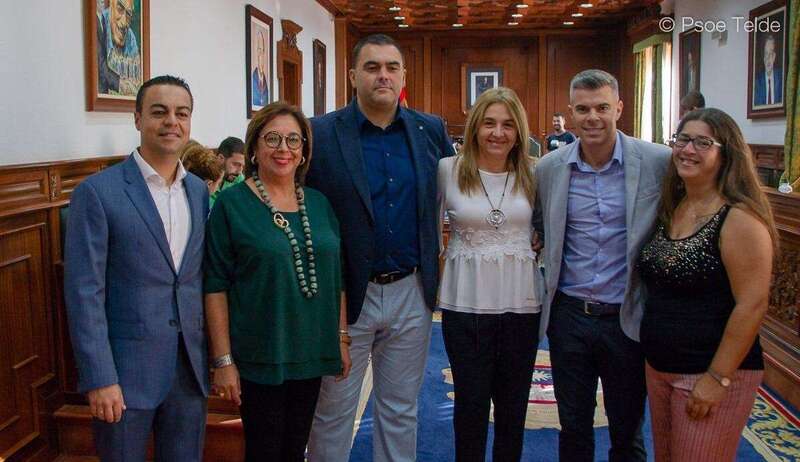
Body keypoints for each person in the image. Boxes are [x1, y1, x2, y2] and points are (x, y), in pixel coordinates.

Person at [305, 33, 452, 462]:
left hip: (412, 290)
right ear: (353, 75)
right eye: (372, 67)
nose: (382, 75)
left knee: (401, 409)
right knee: (333, 410)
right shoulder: (321, 134)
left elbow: (460, 193)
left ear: (403, 75)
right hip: (347, 296)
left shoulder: (430, 130)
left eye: (391, 67)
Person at [64, 75, 209, 461]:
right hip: (125, 375)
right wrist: (100, 377)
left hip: (189, 371)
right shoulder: (97, 193)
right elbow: (84, 293)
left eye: (182, 113)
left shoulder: (199, 192)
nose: (171, 122)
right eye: (159, 112)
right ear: (137, 118)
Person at [533, 69, 671, 461]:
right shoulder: (549, 168)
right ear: (571, 113)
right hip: (569, 317)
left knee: (627, 430)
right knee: (573, 427)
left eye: (602, 108)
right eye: (583, 109)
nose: (593, 117)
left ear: (619, 108)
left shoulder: (658, 161)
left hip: (626, 317)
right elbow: (540, 224)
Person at [204, 102, 351, 461]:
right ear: (253, 147)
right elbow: (215, 285)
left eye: (293, 140)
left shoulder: (318, 203)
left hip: (312, 349)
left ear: (304, 152)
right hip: (261, 352)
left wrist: (341, 338)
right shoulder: (231, 204)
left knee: (295, 447)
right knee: (264, 451)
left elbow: (338, 276)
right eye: (272, 138)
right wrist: (223, 360)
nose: (283, 148)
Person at [638, 108, 776, 461]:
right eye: (683, 140)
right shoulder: (674, 206)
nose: (688, 150)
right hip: (660, 368)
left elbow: (753, 304)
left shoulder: (739, 218)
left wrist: (717, 378)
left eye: (703, 142)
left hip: (708, 372)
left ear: (725, 153)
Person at [438, 87, 544, 461]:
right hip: (464, 303)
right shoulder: (449, 169)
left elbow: (550, 227)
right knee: (470, 405)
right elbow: (428, 229)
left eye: (508, 125)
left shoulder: (535, 172)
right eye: (489, 123)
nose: (498, 133)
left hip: (521, 304)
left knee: (513, 408)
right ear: (475, 128)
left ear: (519, 131)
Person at [97, 0, 141, 95]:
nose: (124, 22)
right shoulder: (100, 25)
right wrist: (123, 85)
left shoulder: (130, 38)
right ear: (111, 7)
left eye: (129, 14)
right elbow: (101, 69)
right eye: (120, 9)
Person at [754, 34, 783, 106]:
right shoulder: (757, 82)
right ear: (763, 57)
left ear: (774, 56)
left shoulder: (781, 77)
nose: (768, 59)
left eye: (771, 54)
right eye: (766, 54)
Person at [252, 30, 270, 107]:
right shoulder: (253, 78)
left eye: (262, 50)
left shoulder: (266, 82)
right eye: (259, 50)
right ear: (256, 52)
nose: (261, 54)